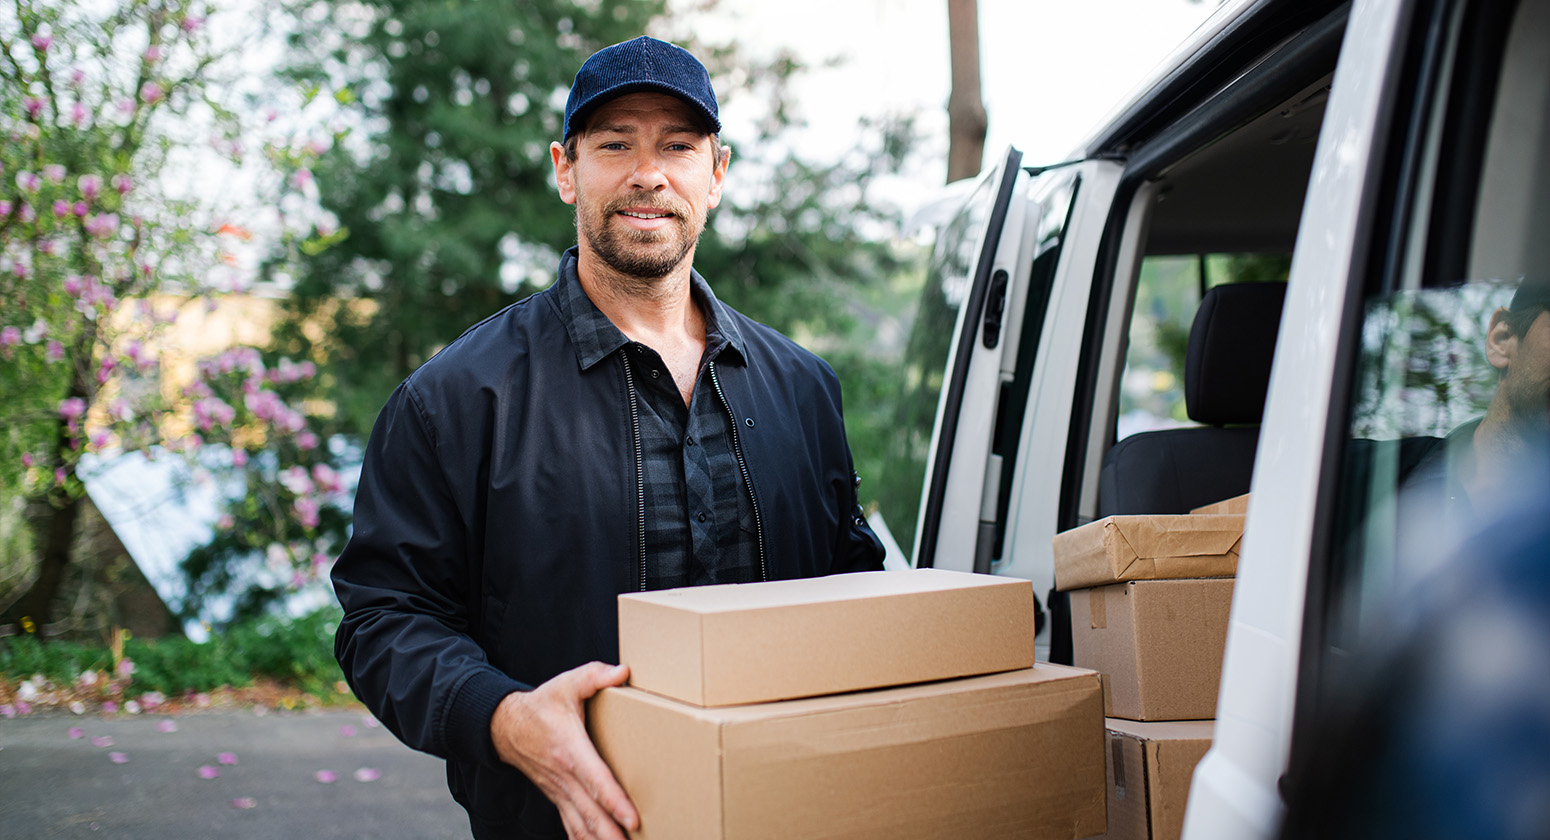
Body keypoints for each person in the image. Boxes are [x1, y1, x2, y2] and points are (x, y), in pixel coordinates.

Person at [330, 36, 885, 840]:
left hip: (788, 814)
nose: (647, 174)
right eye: (614, 144)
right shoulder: (453, 400)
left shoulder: (803, 388)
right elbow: (384, 619)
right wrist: (508, 718)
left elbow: (849, 590)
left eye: (677, 147)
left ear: (716, 174)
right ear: (566, 169)